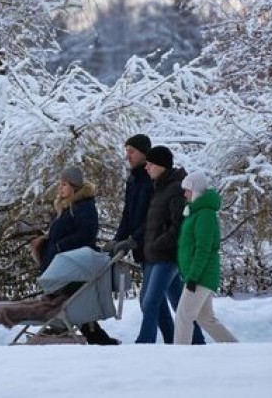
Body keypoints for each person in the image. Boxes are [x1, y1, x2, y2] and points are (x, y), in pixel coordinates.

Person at [26, 166, 120, 345]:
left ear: (74, 186)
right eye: (59, 184)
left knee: (71, 301)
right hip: (61, 262)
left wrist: (61, 245)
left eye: (64, 184)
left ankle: (93, 337)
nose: (60, 188)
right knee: (71, 302)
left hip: (73, 265)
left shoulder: (84, 207)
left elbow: (86, 235)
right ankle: (95, 338)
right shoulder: (67, 206)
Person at [134, 146, 204, 344]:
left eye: (150, 164)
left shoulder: (175, 189)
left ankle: (144, 344)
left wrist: (158, 244)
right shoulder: (159, 187)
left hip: (167, 256)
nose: (146, 167)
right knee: (178, 303)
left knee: (150, 302)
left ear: (161, 165)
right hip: (153, 255)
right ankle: (196, 342)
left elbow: (179, 226)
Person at [174, 172, 238, 344]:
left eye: (187, 190)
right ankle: (235, 348)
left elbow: (204, 249)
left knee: (183, 316)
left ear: (196, 190)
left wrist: (193, 277)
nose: (185, 194)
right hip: (199, 274)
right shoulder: (196, 213)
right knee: (206, 319)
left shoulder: (205, 215)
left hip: (201, 275)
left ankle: (178, 356)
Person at [103, 133, 153, 262]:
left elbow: (154, 216)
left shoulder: (152, 180)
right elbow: (128, 214)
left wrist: (134, 239)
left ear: (144, 153)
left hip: (154, 245)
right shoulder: (133, 180)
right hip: (141, 249)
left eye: (132, 152)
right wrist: (118, 239)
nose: (128, 156)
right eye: (127, 151)